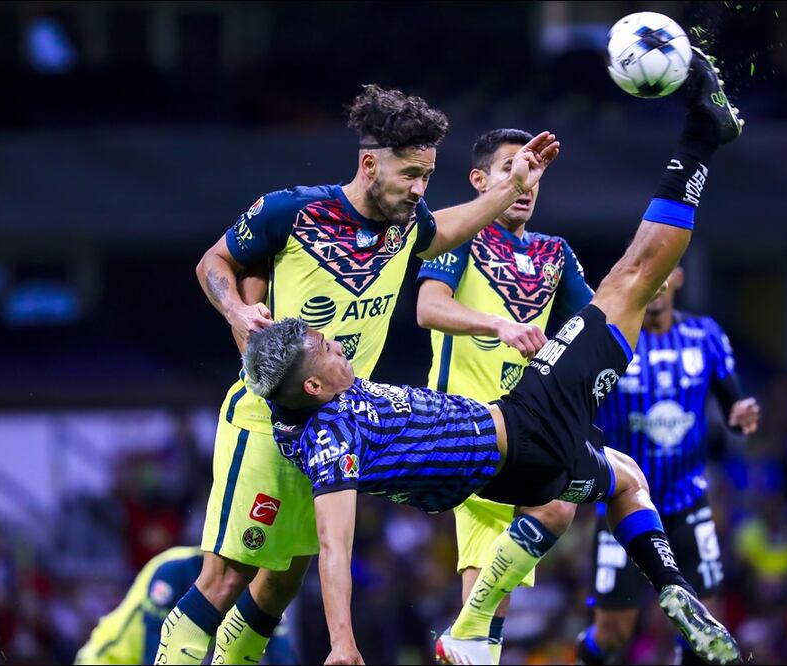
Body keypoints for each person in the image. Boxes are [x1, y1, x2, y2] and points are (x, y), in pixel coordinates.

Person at [242, 48, 745, 666]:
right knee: (635, 278)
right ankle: (702, 134)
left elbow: (278, 373)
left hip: (513, 453)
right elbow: (333, 542)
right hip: (516, 427)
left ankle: (665, 587)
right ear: (314, 387)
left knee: (610, 485)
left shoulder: (301, 414)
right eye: (325, 348)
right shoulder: (332, 438)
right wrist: (342, 641)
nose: (339, 343)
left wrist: (251, 313)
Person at [156, 84, 560, 664]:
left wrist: (511, 186)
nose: (419, 189)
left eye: (427, 176)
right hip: (267, 422)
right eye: (410, 175)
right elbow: (213, 261)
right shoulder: (292, 211)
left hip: (336, 428)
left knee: (281, 582)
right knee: (226, 577)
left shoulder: (407, 225)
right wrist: (237, 311)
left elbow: (450, 227)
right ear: (370, 164)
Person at [416, 127, 594, 662]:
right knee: (551, 509)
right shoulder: (460, 233)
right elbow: (428, 308)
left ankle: (467, 642)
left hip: (524, 423)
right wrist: (497, 324)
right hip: (462, 418)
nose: (526, 182)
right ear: (480, 180)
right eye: (512, 168)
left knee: (494, 575)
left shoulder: (554, 253)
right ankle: (465, 638)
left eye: (534, 172)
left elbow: (591, 327)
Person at [575, 265, 761, 666]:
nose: (657, 281)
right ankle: (582, 654)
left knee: (703, 628)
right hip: (624, 506)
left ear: (679, 276)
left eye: (665, 270)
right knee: (612, 634)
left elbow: (733, 405)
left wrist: (741, 415)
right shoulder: (612, 336)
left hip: (688, 503)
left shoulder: (705, 334)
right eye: (649, 269)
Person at [76, 547, 298, 665]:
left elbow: (282, 654)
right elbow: (155, 654)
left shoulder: (261, 582)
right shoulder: (173, 570)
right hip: (109, 660)